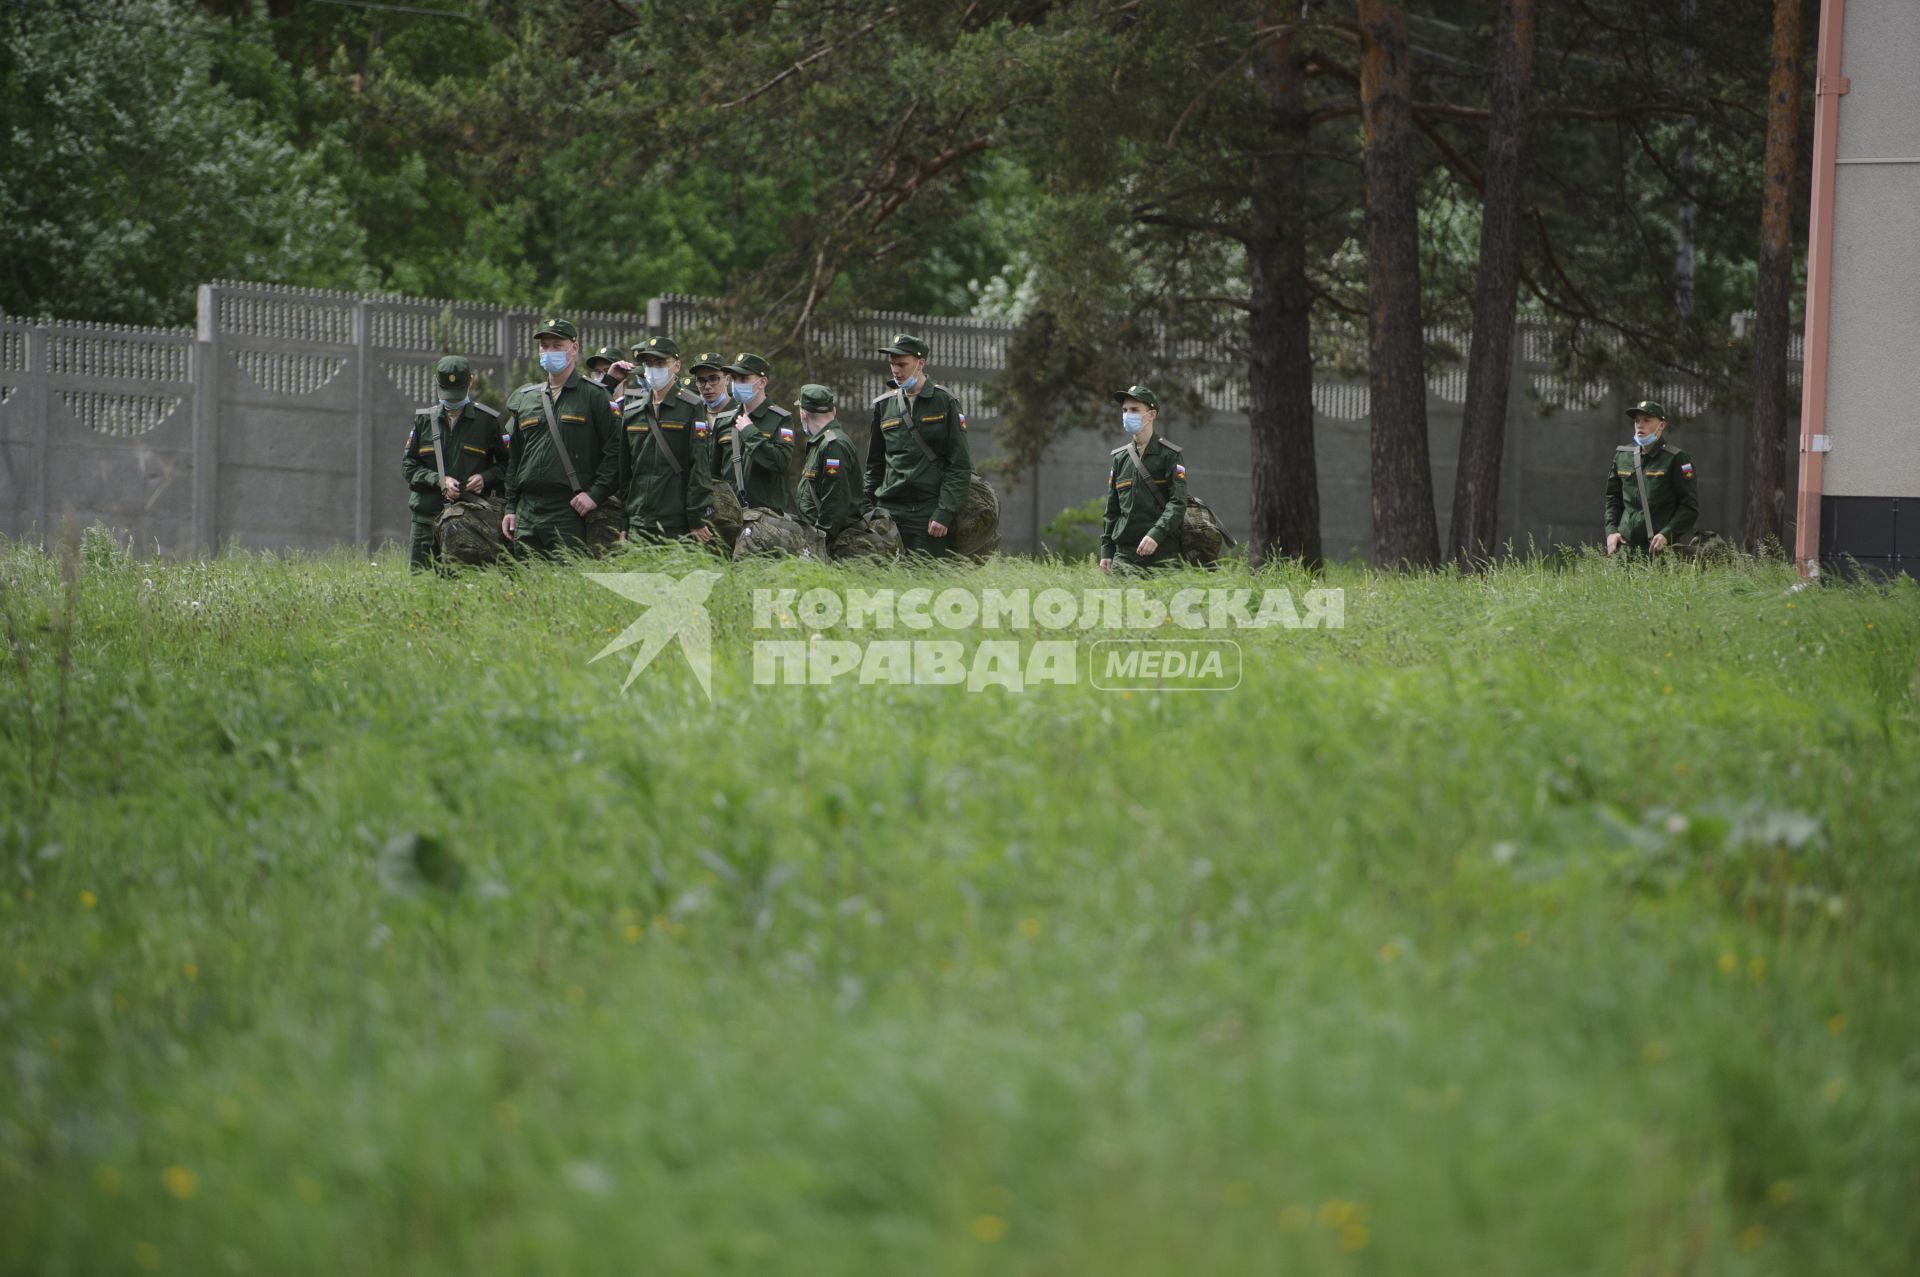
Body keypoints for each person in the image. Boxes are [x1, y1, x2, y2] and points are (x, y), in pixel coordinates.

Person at [501, 318, 620, 556]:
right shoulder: (527, 398)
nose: (549, 351)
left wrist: (595, 494)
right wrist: (511, 506)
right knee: (525, 585)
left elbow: (616, 452)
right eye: (544, 346)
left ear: (574, 348)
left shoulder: (594, 396)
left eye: (557, 345)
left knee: (566, 584)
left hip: (569, 509)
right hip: (527, 510)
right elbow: (515, 458)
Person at [862, 332, 973, 558]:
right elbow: (875, 465)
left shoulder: (944, 402)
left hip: (927, 514)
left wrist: (944, 512)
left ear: (920, 363)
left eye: (902, 364)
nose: (895, 370)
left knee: (924, 585)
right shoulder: (884, 405)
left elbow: (959, 465)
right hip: (889, 511)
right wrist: (865, 507)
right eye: (892, 364)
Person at [401, 355, 508, 572]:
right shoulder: (424, 420)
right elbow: (409, 466)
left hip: (469, 521)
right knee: (420, 585)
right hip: (426, 520)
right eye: (447, 395)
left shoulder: (488, 421)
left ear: (471, 381)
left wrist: (484, 478)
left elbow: (510, 466)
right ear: (436, 382)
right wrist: (438, 480)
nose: (451, 400)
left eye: (456, 394)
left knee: (462, 587)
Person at [621, 337, 716, 545]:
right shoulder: (632, 411)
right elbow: (626, 472)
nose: (654, 369)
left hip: (676, 522)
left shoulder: (691, 407)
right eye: (648, 364)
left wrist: (696, 518)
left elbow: (698, 466)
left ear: (676, 365)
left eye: (660, 364)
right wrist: (624, 523)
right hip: (639, 521)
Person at [1099, 384, 1188, 574]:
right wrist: (1107, 550)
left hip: (1163, 555)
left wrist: (1156, 534)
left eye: (1134, 410)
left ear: (1151, 415)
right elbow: (1112, 509)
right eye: (1124, 410)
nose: (1127, 415)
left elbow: (1178, 502)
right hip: (1124, 556)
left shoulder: (1169, 455)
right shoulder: (1120, 458)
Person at [1605, 399, 1698, 557]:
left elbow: (1689, 507)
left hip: (1658, 550)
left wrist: (1667, 534)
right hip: (1623, 550)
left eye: (1647, 420)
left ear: (1661, 425)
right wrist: (1611, 531)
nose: (1640, 425)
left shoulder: (1676, 458)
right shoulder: (1623, 455)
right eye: (1637, 421)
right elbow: (1613, 499)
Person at [720, 352, 796, 512]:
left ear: (762, 382)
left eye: (743, 379)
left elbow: (781, 462)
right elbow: (713, 474)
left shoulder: (780, 419)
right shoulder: (724, 421)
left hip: (766, 519)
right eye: (734, 379)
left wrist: (749, 432)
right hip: (730, 518)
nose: (736, 384)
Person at [794, 384, 861, 543]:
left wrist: (819, 541)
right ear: (834, 411)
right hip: (817, 534)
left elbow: (835, 501)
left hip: (831, 542)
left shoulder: (833, 444)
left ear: (803, 414)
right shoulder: (822, 442)